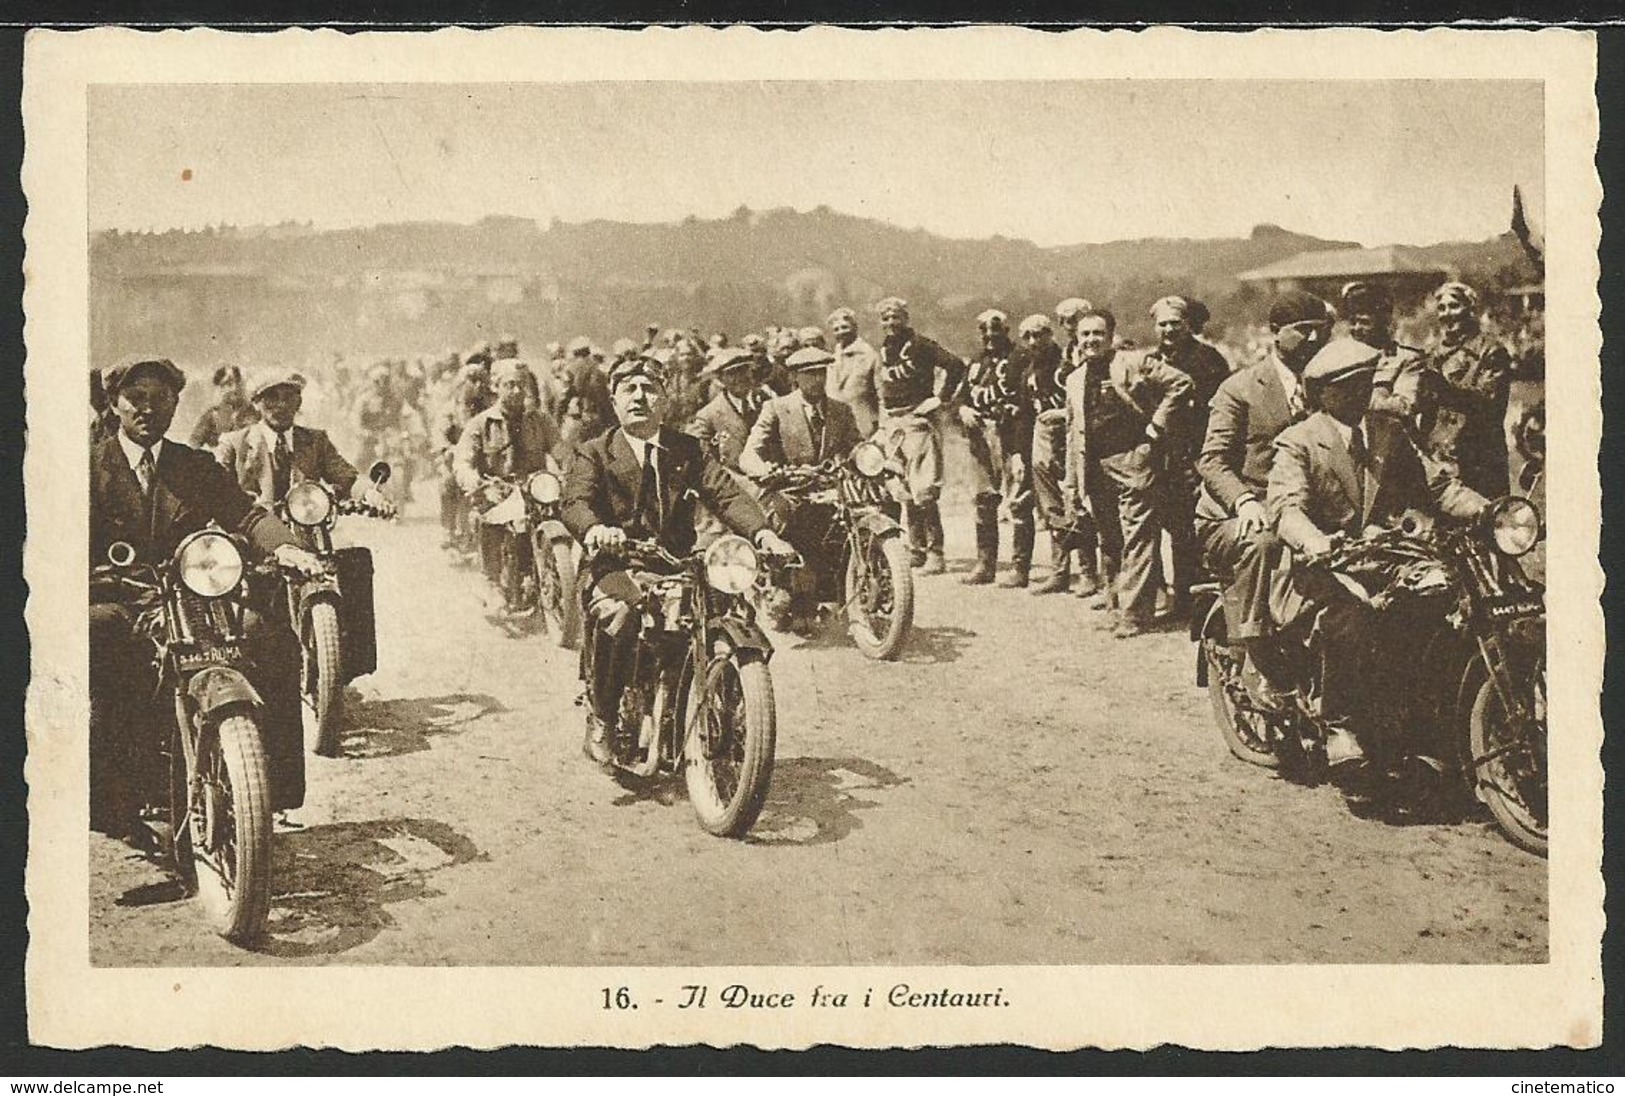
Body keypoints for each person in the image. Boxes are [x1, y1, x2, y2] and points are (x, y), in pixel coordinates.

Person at [90, 358, 324, 837]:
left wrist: (286, 548)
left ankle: (268, 789)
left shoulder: (191, 465)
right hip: (122, 597)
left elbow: (246, 513)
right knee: (101, 636)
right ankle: (113, 798)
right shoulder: (89, 467)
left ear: (177, 404)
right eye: (137, 398)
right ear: (115, 403)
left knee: (268, 635)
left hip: (192, 593)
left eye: (161, 398)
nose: (148, 408)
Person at [561, 356, 793, 765]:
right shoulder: (594, 452)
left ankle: (730, 706)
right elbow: (576, 501)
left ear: (664, 400)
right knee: (622, 615)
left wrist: (763, 533)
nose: (639, 397)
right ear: (614, 401)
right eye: (629, 389)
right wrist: (596, 530)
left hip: (676, 564)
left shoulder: (687, 450)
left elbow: (725, 493)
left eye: (649, 388)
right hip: (616, 566)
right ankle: (602, 715)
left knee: (729, 607)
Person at [1267, 338, 1487, 767]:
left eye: (1365, 382)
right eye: (1347, 386)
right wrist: (1314, 540)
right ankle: (1340, 725)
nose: (1359, 393)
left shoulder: (1389, 432)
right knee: (1350, 621)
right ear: (1323, 393)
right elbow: (1285, 507)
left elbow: (1437, 487)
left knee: (1445, 604)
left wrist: (1490, 510)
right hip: (1321, 571)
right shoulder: (1299, 442)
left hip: (1386, 560)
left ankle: (1426, 720)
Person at [1195, 290, 1328, 643]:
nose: (1314, 339)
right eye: (1303, 330)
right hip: (1238, 511)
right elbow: (1212, 459)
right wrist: (1243, 501)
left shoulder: (1328, 385)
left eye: (1322, 330)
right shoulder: (1239, 388)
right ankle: (1255, 648)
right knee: (1263, 543)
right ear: (1275, 331)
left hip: (1301, 507)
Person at [1062, 308, 1193, 637]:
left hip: (1133, 461)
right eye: (1085, 334)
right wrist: (1072, 481)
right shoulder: (1074, 379)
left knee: (1138, 540)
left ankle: (1135, 615)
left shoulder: (1132, 362)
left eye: (1098, 334)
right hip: (1094, 467)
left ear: (1110, 337)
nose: (1092, 340)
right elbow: (1071, 432)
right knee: (1110, 540)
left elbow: (1180, 384)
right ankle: (1115, 606)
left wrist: (1155, 429)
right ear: (1077, 340)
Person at [740, 346, 865, 624]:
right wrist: (762, 470)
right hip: (787, 487)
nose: (817, 380)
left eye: (821, 373)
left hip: (827, 486)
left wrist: (870, 457)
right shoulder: (775, 408)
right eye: (809, 374)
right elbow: (750, 452)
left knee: (859, 513)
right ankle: (781, 585)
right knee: (787, 520)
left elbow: (855, 445)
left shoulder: (841, 411)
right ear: (795, 377)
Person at [1140, 296, 1233, 616]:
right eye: (1163, 324)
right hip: (1163, 454)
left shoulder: (1208, 359)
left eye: (1175, 324)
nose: (1169, 330)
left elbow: (1222, 407)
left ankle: (1203, 600)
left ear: (1187, 324)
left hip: (1197, 450)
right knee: (1174, 525)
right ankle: (1180, 597)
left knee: (1198, 526)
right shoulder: (1149, 361)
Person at [454, 358, 568, 603]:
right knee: (489, 519)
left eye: (521, 385)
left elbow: (562, 452)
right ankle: (491, 580)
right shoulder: (481, 423)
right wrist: (474, 481)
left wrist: (570, 473)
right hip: (498, 491)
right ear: (495, 386)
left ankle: (561, 577)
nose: (517, 391)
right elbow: (462, 461)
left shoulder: (541, 420)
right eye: (510, 385)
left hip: (535, 489)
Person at [873, 297, 966, 576]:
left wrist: (940, 399)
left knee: (924, 491)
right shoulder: (886, 349)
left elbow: (956, 365)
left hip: (917, 421)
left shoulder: (921, 345)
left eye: (896, 317)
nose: (891, 323)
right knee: (904, 491)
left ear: (906, 318)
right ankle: (916, 550)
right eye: (886, 318)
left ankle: (936, 554)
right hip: (893, 423)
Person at [958, 310, 1035, 587]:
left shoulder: (1020, 357)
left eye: (996, 331)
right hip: (981, 434)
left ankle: (1020, 567)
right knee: (983, 499)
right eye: (985, 332)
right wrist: (964, 409)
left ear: (1007, 330)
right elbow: (962, 396)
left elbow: (1027, 400)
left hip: (1010, 433)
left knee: (1019, 500)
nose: (990, 337)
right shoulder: (977, 361)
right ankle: (985, 563)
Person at [215, 371, 367, 506]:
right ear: (256, 403)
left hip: (306, 531)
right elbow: (217, 492)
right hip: (254, 533)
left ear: (299, 403)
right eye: (272, 398)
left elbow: (348, 478)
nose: (281, 405)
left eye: (289, 398)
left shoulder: (316, 441)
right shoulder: (234, 444)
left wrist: (369, 494)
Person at [1422, 281, 1514, 498]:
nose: (1447, 314)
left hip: (1479, 456)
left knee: (1486, 520)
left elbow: (1489, 403)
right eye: (1442, 308)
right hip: (1439, 456)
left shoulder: (1491, 350)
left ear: (1471, 310)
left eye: (1454, 306)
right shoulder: (1430, 354)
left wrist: (1444, 388)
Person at [1022, 313, 1077, 594]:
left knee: (1079, 502)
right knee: (1051, 506)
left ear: (1050, 335)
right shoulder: (1029, 369)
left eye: (1039, 335)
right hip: (1042, 439)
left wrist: (1060, 414)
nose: (1034, 341)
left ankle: (1093, 574)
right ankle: (1060, 571)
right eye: (1028, 337)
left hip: (1070, 436)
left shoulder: (1065, 363)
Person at [1340, 281, 1428, 423]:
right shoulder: (1340, 356)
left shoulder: (1407, 359)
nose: (1356, 328)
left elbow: (1404, 406)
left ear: (1384, 322)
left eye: (1364, 322)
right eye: (1352, 322)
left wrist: (1352, 401)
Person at [688, 347, 766, 472]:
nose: (739, 378)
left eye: (743, 370)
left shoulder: (766, 401)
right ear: (720, 379)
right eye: (731, 374)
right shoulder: (709, 415)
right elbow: (695, 453)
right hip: (735, 483)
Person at [824, 307, 880, 437]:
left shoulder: (869, 356)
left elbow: (882, 397)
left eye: (845, 327)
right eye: (836, 329)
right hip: (836, 429)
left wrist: (882, 429)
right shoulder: (831, 358)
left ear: (855, 328)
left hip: (864, 428)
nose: (841, 332)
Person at [188, 363, 260, 449]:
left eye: (237, 382)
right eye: (228, 384)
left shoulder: (253, 412)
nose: (234, 388)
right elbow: (193, 444)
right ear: (220, 388)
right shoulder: (212, 416)